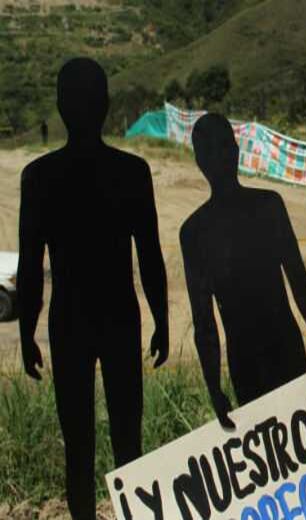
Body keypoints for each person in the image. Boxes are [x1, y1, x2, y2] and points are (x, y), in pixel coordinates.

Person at [17, 57, 169, 519]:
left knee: (78, 444)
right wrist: (162, 320)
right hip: (120, 316)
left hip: (69, 321)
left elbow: (30, 266)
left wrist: (26, 331)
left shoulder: (39, 178)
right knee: (128, 439)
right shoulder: (132, 172)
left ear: (61, 107)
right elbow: (150, 257)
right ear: (105, 105)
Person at [180, 113, 306, 429]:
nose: (223, 156)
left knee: (272, 444)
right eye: (222, 148)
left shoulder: (195, 232)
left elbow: (205, 323)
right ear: (236, 152)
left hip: (246, 360)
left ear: (199, 162)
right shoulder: (268, 206)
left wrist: (214, 388)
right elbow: (298, 279)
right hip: (284, 346)